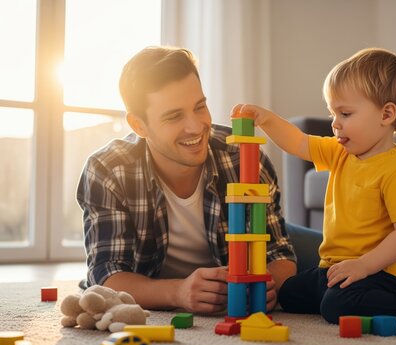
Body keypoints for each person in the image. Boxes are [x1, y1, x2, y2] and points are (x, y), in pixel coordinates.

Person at [76, 46, 297, 313]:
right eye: (174, 116)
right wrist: (178, 292)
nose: (195, 127)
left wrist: (268, 284)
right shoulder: (108, 170)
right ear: (138, 125)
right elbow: (106, 275)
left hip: (277, 237)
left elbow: (280, 255)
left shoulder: (244, 157)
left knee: (333, 257)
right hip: (159, 277)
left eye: (200, 107)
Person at [231, 48, 396, 324]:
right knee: (289, 294)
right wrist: (267, 119)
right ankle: (335, 292)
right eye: (333, 113)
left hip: (379, 273)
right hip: (332, 267)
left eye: (345, 113)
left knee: (337, 307)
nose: (335, 123)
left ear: (387, 114)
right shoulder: (339, 152)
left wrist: (364, 266)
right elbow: (299, 142)